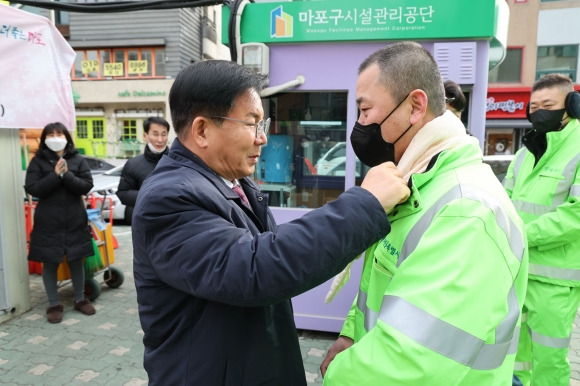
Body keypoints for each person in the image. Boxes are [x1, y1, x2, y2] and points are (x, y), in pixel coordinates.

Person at [131, 59, 410, 385]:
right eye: (251, 124)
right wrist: (366, 204)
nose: (262, 138)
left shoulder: (232, 181)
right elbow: (253, 268)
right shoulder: (168, 197)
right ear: (202, 130)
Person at [320, 41, 528, 385]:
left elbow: (410, 361)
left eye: (365, 110)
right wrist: (351, 335)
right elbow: (381, 284)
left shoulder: (466, 211)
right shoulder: (415, 181)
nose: (360, 125)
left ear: (416, 106)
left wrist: (335, 376)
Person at [506, 74, 580, 386]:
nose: (538, 112)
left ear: (572, 106)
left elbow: (575, 214)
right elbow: (504, 200)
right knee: (515, 356)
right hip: (517, 270)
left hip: (555, 280)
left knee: (548, 360)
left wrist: (520, 234)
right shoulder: (525, 152)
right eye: (533, 106)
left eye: (547, 105)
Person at [24, 122, 96, 323]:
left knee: (76, 260)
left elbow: (86, 186)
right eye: (51, 134)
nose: (55, 137)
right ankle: (54, 304)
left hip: (74, 219)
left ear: (66, 137)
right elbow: (33, 188)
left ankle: (81, 299)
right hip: (48, 221)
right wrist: (55, 176)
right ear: (45, 138)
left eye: (59, 133)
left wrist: (67, 175)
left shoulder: (78, 160)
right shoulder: (38, 161)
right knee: (50, 262)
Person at [117, 116, 170, 224]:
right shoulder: (133, 164)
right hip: (145, 222)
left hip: (172, 222)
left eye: (163, 134)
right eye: (155, 134)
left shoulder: (177, 161)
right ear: (145, 136)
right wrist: (151, 195)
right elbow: (123, 194)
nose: (160, 139)